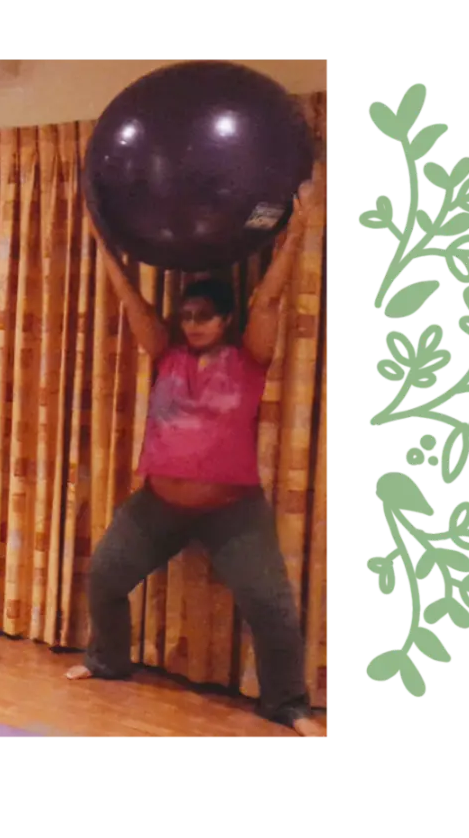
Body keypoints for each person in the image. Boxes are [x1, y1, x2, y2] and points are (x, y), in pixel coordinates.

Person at [65, 178, 326, 740]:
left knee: (271, 605)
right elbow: (131, 300)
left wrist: (300, 228)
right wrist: (102, 242)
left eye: (204, 315)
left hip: (232, 510)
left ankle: (288, 704)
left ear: (226, 319)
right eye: (186, 315)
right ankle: (107, 660)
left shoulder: (248, 358)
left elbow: (268, 300)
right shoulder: (168, 356)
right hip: (158, 506)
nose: (193, 323)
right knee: (105, 575)